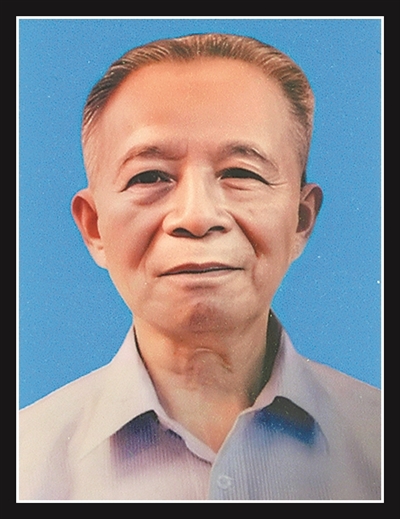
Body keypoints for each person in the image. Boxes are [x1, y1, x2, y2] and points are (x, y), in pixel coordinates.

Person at [19, 33, 381, 501]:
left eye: (241, 173)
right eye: (150, 176)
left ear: (300, 219)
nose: (196, 216)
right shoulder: (23, 462)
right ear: (94, 227)